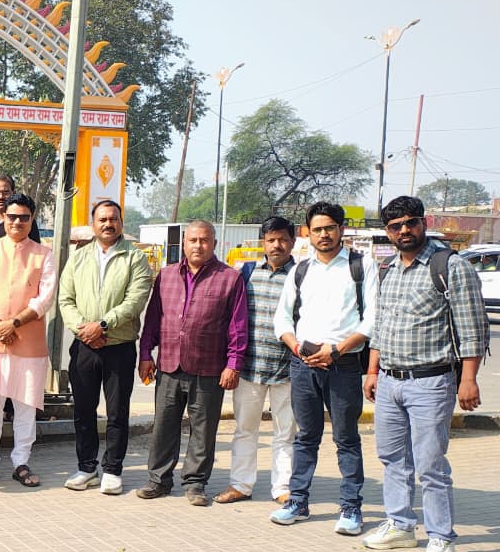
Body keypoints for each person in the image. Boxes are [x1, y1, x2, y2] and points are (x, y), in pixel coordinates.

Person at [363, 196, 489, 552]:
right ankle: (401, 525)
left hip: (431, 382)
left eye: (411, 222)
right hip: (389, 380)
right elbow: (380, 328)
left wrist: (469, 380)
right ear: (387, 232)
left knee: (431, 464)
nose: (404, 230)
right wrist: (372, 371)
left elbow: (472, 330)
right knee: (392, 458)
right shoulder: (387, 269)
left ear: (423, 222)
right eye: (395, 225)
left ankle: (441, 538)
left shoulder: (450, 266)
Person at [271, 202, 377, 534]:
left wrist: (338, 349)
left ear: (342, 229)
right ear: (308, 233)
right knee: (305, 437)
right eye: (317, 229)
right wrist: (297, 347)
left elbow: (373, 317)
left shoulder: (363, 266)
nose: (324, 234)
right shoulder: (301, 270)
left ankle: (350, 508)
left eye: (330, 227)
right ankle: (297, 501)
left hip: (343, 364)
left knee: (346, 438)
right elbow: (282, 318)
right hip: (303, 364)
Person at [137, 220, 247, 505]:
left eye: (204, 240)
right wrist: (146, 354)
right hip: (170, 365)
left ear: (215, 243)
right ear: (183, 244)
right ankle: (158, 480)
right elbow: (152, 319)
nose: (198, 245)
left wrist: (233, 364)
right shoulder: (166, 275)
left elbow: (237, 326)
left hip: (209, 368)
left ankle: (196, 483)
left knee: (204, 429)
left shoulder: (229, 278)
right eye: (193, 240)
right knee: (163, 426)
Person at [58, 199, 153, 494]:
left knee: (117, 412)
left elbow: (136, 299)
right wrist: (84, 330)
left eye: (113, 219)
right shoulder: (79, 257)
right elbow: (65, 299)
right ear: (93, 224)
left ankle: (112, 468)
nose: (108, 224)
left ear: (121, 222)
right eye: (102, 220)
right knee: (84, 411)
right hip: (84, 347)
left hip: (119, 346)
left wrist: (103, 326)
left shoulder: (135, 259)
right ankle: (87, 467)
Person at [0, 193, 56, 487]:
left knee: (25, 403)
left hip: (28, 342)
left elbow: (45, 298)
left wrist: (13, 323)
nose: (17, 222)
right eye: (12, 216)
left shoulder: (44, 254)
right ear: (3, 217)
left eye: (24, 217)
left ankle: (21, 461)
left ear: (32, 220)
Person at [215, 216, 298, 505]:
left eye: (283, 239)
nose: (277, 245)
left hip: (287, 370)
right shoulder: (246, 272)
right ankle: (241, 485)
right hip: (249, 368)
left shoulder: (301, 275)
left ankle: (282, 488)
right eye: (271, 239)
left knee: (285, 432)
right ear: (263, 242)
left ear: (293, 241)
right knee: (245, 430)